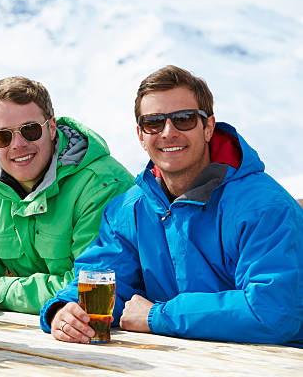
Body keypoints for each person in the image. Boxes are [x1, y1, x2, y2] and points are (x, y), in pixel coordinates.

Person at [40, 65, 303, 347]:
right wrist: (64, 311)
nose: (168, 132)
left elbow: (273, 311)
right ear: (141, 135)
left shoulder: (265, 207)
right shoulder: (129, 211)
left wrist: (158, 316)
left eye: (184, 119)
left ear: (208, 127)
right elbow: (106, 280)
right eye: (154, 122)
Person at [0, 76, 134, 314]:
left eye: (30, 130)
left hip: (110, 330)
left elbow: (89, 288)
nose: (18, 144)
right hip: (36, 331)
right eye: (3, 136)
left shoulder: (100, 184)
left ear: (51, 128)